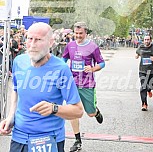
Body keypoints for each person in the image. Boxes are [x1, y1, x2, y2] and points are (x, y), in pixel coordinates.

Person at [0, 22, 83, 152]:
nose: (32, 45)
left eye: (38, 40)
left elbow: (78, 111)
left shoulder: (61, 69)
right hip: (19, 138)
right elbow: (16, 91)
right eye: (29, 39)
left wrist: (54, 108)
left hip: (48, 140)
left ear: (51, 42)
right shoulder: (19, 62)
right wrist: (11, 117)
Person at [62, 22, 105, 152]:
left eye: (81, 33)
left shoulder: (92, 46)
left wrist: (92, 68)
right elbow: (63, 60)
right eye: (76, 33)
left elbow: (102, 63)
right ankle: (77, 140)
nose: (78, 36)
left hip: (87, 84)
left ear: (86, 33)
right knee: (73, 111)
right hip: (72, 83)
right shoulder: (70, 45)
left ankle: (96, 111)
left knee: (90, 113)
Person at [135, 35, 153, 111]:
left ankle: (149, 90)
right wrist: (136, 56)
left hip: (152, 71)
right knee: (143, 86)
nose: (146, 41)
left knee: (151, 86)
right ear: (143, 40)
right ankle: (144, 104)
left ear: (151, 40)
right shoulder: (141, 47)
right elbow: (137, 53)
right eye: (145, 40)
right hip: (142, 70)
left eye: (148, 39)